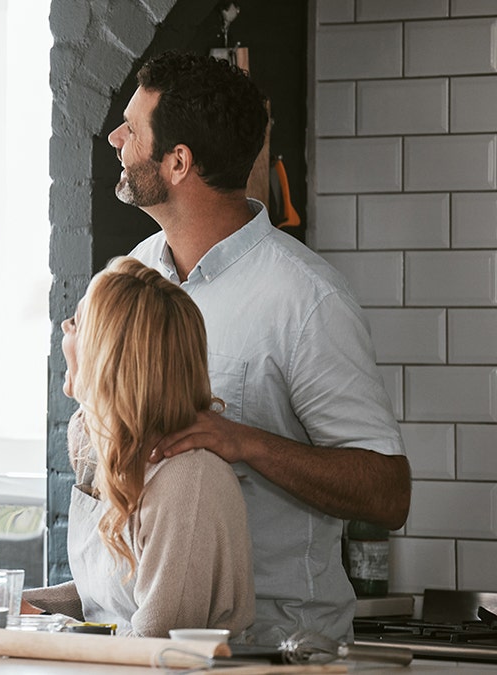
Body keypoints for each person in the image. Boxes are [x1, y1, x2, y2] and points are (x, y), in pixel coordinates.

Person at [108, 50, 410, 643]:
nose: (116, 137)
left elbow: (388, 492)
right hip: (148, 637)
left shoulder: (307, 299)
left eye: (133, 129)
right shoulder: (130, 276)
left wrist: (241, 441)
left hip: (279, 647)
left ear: (178, 162)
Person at [22, 257, 254, 638]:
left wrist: (47, 625)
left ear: (107, 357)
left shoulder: (187, 481)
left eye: (77, 323)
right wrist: (14, 605)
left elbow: (155, 646)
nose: (65, 330)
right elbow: (109, 593)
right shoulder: (110, 452)